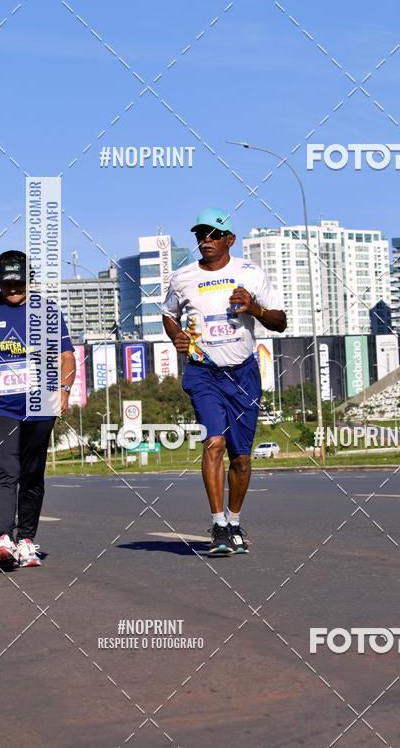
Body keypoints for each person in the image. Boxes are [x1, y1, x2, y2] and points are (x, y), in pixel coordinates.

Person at [162, 207, 286, 555]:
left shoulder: (250, 272)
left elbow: (280, 322)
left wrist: (255, 309)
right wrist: (176, 337)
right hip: (203, 373)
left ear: (230, 239)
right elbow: (168, 315)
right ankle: (218, 526)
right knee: (213, 442)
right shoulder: (183, 277)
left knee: (241, 458)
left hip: (244, 373)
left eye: (214, 234)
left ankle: (234, 521)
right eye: (201, 234)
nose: (206, 240)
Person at [0, 250, 75, 570]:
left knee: (32, 473)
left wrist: (64, 390)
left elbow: (66, 356)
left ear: (29, 279)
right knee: (7, 468)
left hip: (39, 405)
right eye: (7, 283)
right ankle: (4, 539)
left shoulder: (47, 311)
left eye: (19, 282)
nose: (13, 289)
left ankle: (26, 540)